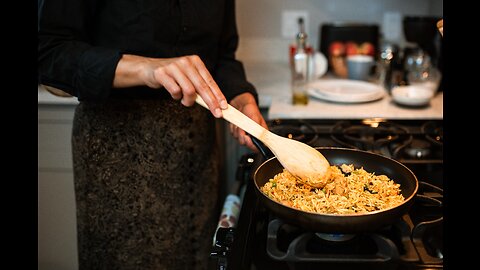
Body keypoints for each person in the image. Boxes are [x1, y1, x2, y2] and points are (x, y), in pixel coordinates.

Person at [38, 0, 267, 269]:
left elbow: (222, 57)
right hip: (116, 157)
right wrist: (144, 67)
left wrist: (241, 97)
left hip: (197, 150)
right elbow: (49, 52)